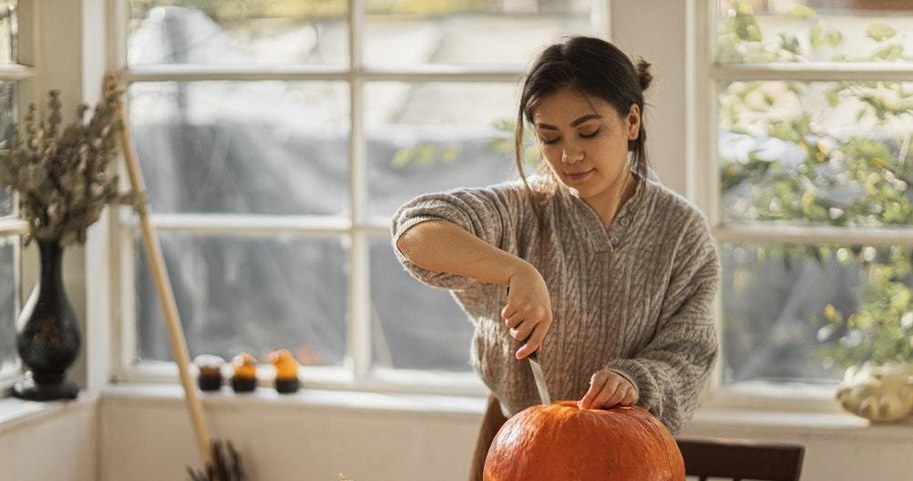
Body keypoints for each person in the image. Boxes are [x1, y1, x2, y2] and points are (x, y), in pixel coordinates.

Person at [391, 35, 720, 481]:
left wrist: (636, 380)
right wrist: (515, 269)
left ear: (632, 121)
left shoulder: (682, 231)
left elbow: (689, 353)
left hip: (629, 453)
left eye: (588, 132)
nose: (569, 155)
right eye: (550, 138)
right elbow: (416, 228)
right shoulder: (520, 213)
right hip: (522, 443)